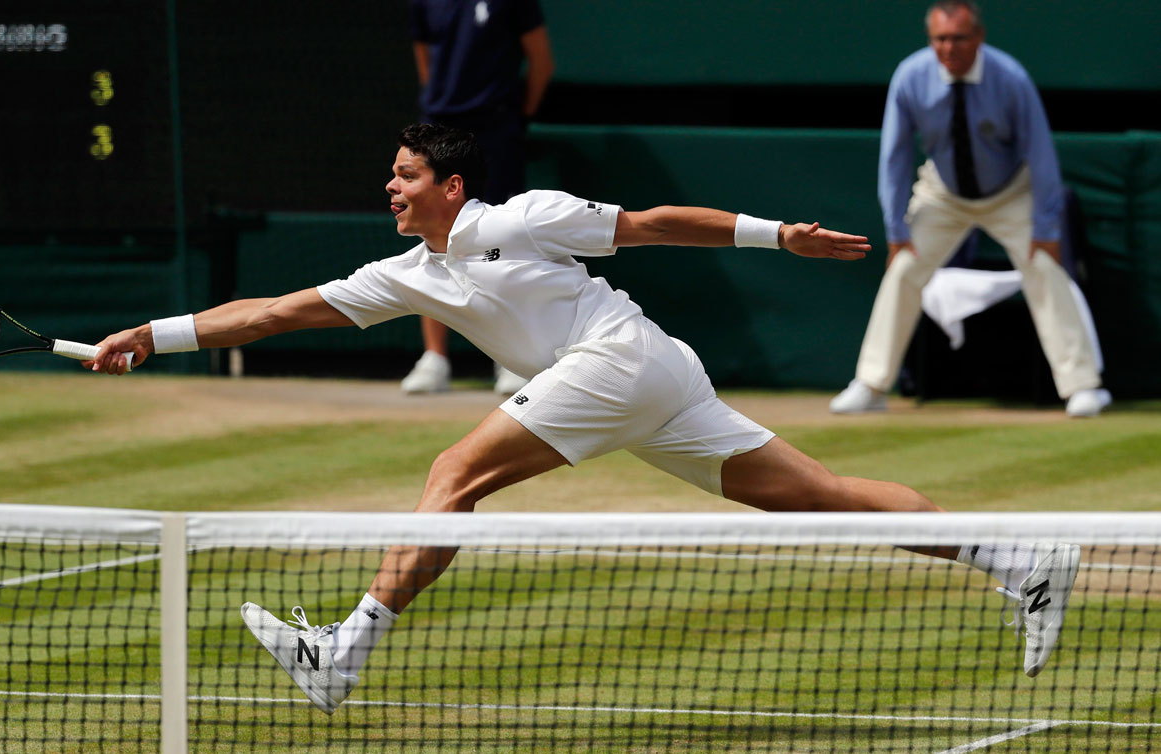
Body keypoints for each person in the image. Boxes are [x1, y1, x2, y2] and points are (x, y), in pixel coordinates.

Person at [88, 123, 1080, 714]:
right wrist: (149, 331)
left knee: (452, 473)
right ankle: (1020, 560)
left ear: (449, 184)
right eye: (389, 178)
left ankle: (341, 653)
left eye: (402, 175)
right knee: (816, 498)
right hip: (647, 382)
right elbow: (271, 313)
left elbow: (649, 227)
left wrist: (778, 237)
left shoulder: (519, 218)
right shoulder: (401, 272)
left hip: (615, 359)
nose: (389, 188)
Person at [830, 0, 1111, 418]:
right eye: (940, 38)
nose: (949, 47)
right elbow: (895, 156)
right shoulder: (911, 76)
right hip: (942, 192)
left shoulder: (1010, 77)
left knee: (1045, 268)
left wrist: (1046, 227)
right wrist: (896, 232)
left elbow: (1042, 155)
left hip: (1011, 191)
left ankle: (1082, 387)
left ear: (978, 38)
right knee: (904, 269)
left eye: (959, 38)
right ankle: (871, 385)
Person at [400, 0, 554, 395]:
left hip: (496, 129)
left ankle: (511, 357)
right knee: (433, 235)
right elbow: (425, 63)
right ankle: (435, 358)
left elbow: (541, 61)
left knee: (503, 238)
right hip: (438, 125)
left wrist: (517, 121)